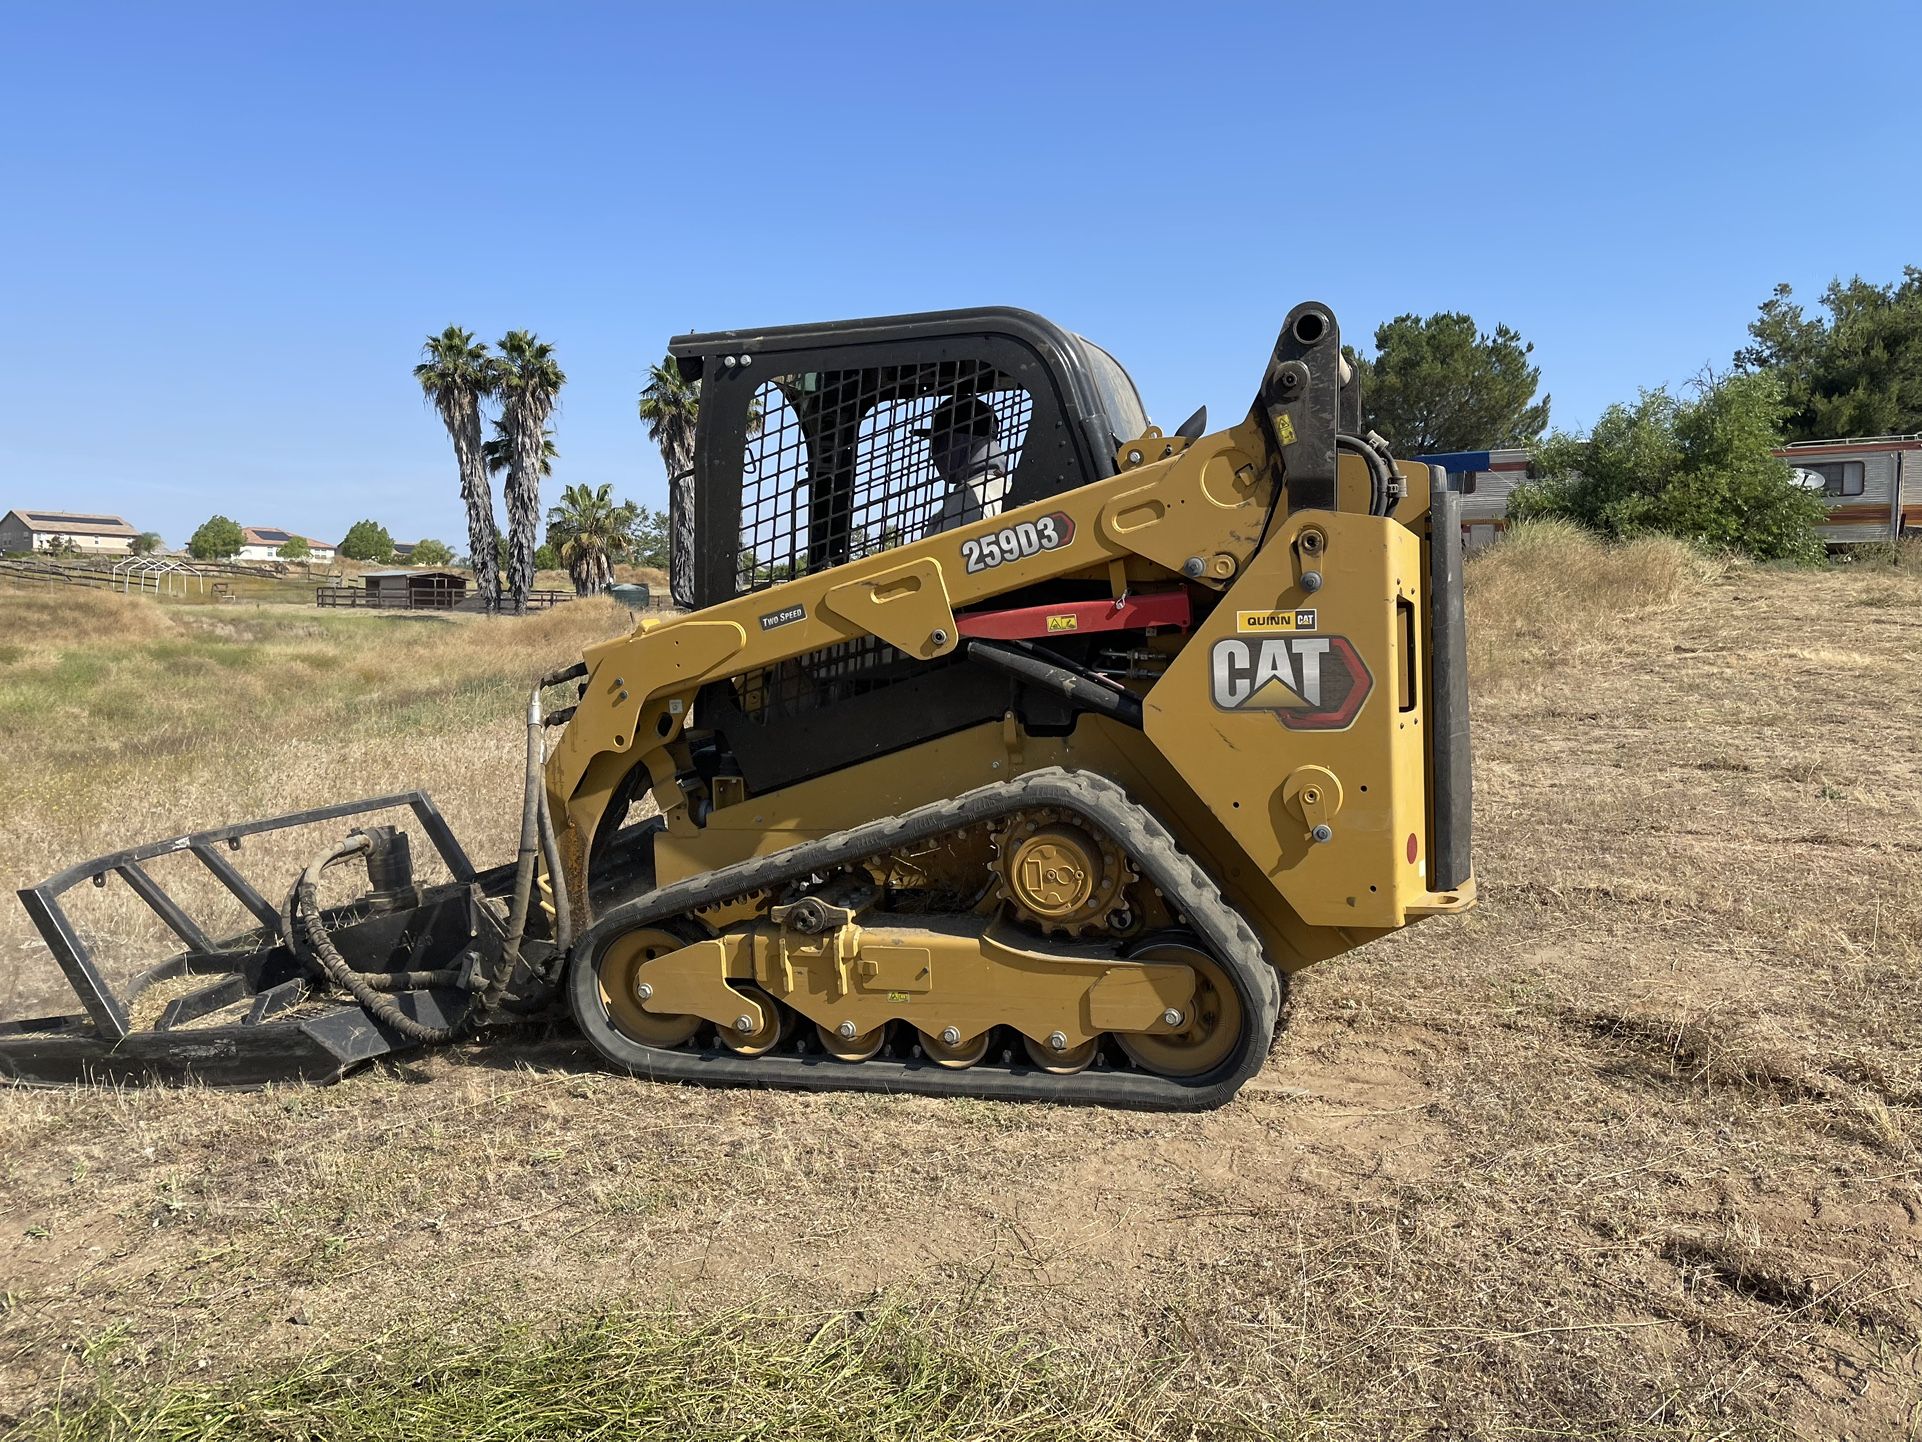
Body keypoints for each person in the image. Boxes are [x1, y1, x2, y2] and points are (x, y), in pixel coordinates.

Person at [921, 395, 1012, 534]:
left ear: (957, 441)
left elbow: (946, 554)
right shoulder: (1007, 487)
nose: (934, 452)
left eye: (938, 441)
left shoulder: (969, 498)